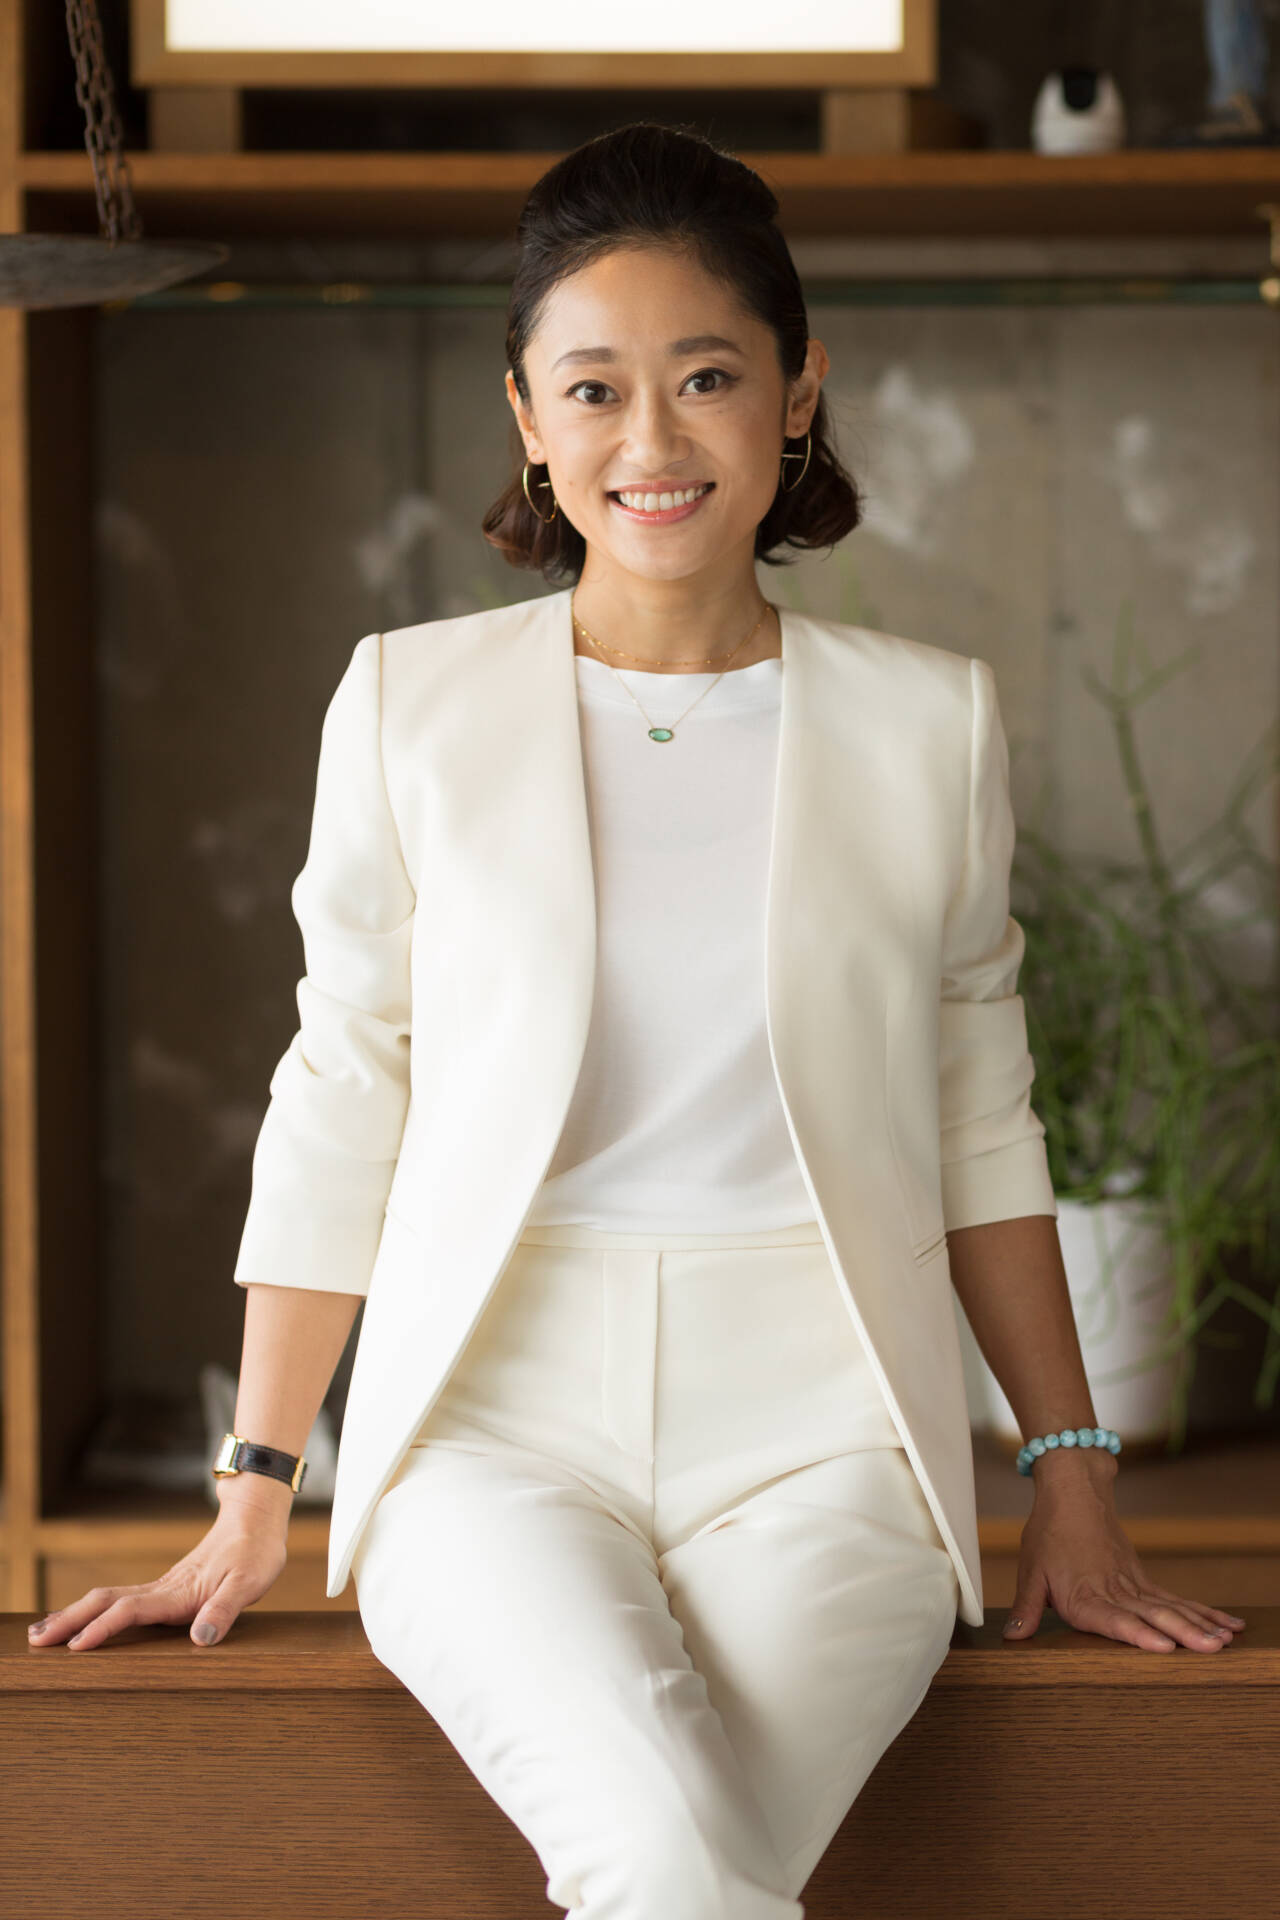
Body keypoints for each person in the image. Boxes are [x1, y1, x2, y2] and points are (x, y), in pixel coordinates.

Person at [30, 121, 1246, 1919]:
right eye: (593, 389)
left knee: (679, 1863)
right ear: (527, 414)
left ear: (797, 394)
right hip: (489, 1429)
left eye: (707, 378)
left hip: (835, 1439)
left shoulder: (931, 729)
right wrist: (255, 1482)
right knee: (675, 1858)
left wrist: (1069, 1476)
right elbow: (344, 1083)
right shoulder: (408, 708)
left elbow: (985, 1113)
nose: (652, 442)